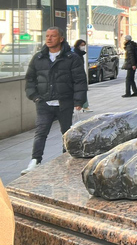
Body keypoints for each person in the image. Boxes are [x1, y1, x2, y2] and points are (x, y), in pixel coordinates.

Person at [22, 27, 87, 175]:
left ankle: (66, 159)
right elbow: (30, 79)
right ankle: (35, 160)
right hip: (44, 103)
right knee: (40, 132)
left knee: (66, 133)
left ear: (61, 39)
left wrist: (78, 101)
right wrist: (35, 97)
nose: (49, 39)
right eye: (47, 36)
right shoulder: (38, 58)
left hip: (65, 102)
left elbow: (80, 81)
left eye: (53, 36)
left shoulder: (71, 58)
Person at [72, 39, 91, 111]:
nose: (83, 47)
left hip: (80, 74)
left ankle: (84, 106)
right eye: (82, 45)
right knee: (80, 90)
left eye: (84, 45)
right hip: (77, 76)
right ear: (77, 46)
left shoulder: (80, 54)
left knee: (82, 90)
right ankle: (83, 106)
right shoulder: (75, 55)